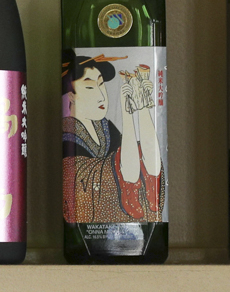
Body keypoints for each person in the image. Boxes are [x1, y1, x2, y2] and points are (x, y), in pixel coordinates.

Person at [62, 54, 163, 224]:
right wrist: (127, 111)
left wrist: (141, 104)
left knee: (140, 154)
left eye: (101, 84)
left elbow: (142, 163)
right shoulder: (67, 135)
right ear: (71, 95)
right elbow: (124, 170)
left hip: (121, 207)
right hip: (89, 211)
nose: (102, 95)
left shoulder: (106, 127)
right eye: (89, 87)